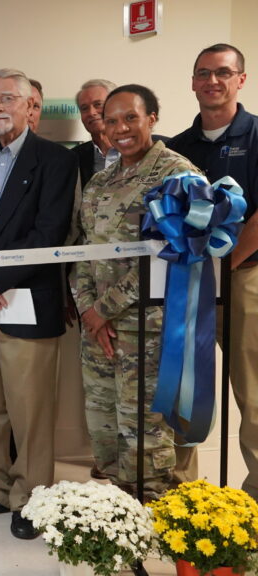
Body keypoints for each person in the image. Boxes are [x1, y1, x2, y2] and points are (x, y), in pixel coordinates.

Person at [0, 68, 76, 540]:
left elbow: (50, 233)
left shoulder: (56, 162)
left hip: (28, 301)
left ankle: (34, 497)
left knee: (31, 410)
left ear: (30, 106)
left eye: (7, 98)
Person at [77, 84, 194, 499]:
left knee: (144, 429)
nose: (120, 128)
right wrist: (90, 311)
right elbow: (82, 252)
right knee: (104, 424)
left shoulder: (177, 176)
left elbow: (171, 254)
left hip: (149, 330)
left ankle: (153, 518)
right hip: (99, 332)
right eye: (111, 120)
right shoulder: (100, 181)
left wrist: (104, 310)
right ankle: (119, 515)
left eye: (131, 117)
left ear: (152, 119)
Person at [169, 43, 258, 496]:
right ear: (192, 81)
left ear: (240, 79)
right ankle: (180, 493)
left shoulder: (257, 135)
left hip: (244, 279)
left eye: (223, 73)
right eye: (203, 73)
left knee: (254, 396)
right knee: (184, 390)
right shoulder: (176, 147)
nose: (212, 81)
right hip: (189, 282)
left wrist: (226, 262)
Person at [72, 79, 120, 187]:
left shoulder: (145, 150)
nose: (91, 113)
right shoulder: (73, 158)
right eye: (84, 108)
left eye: (98, 104)